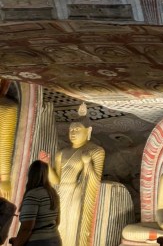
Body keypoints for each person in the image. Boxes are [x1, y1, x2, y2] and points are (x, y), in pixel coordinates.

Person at [48, 104, 104, 246]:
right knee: (57, 224)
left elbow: (95, 181)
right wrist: (46, 166)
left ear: (88, 131)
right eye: (71, 129)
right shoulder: (62, 152)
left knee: (72, 223)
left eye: (77, 129)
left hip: (76, 193)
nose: (73, 132)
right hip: (60, 192)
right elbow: (56, 180)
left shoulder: (95, 151)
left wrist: (87, 164)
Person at [12, 160, 59, 246]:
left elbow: (27, 227)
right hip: (54, 239)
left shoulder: (33, 194)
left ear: (31, 174)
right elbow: (57, 221)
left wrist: (17, 242)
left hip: (37, 242)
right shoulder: (53, 193)